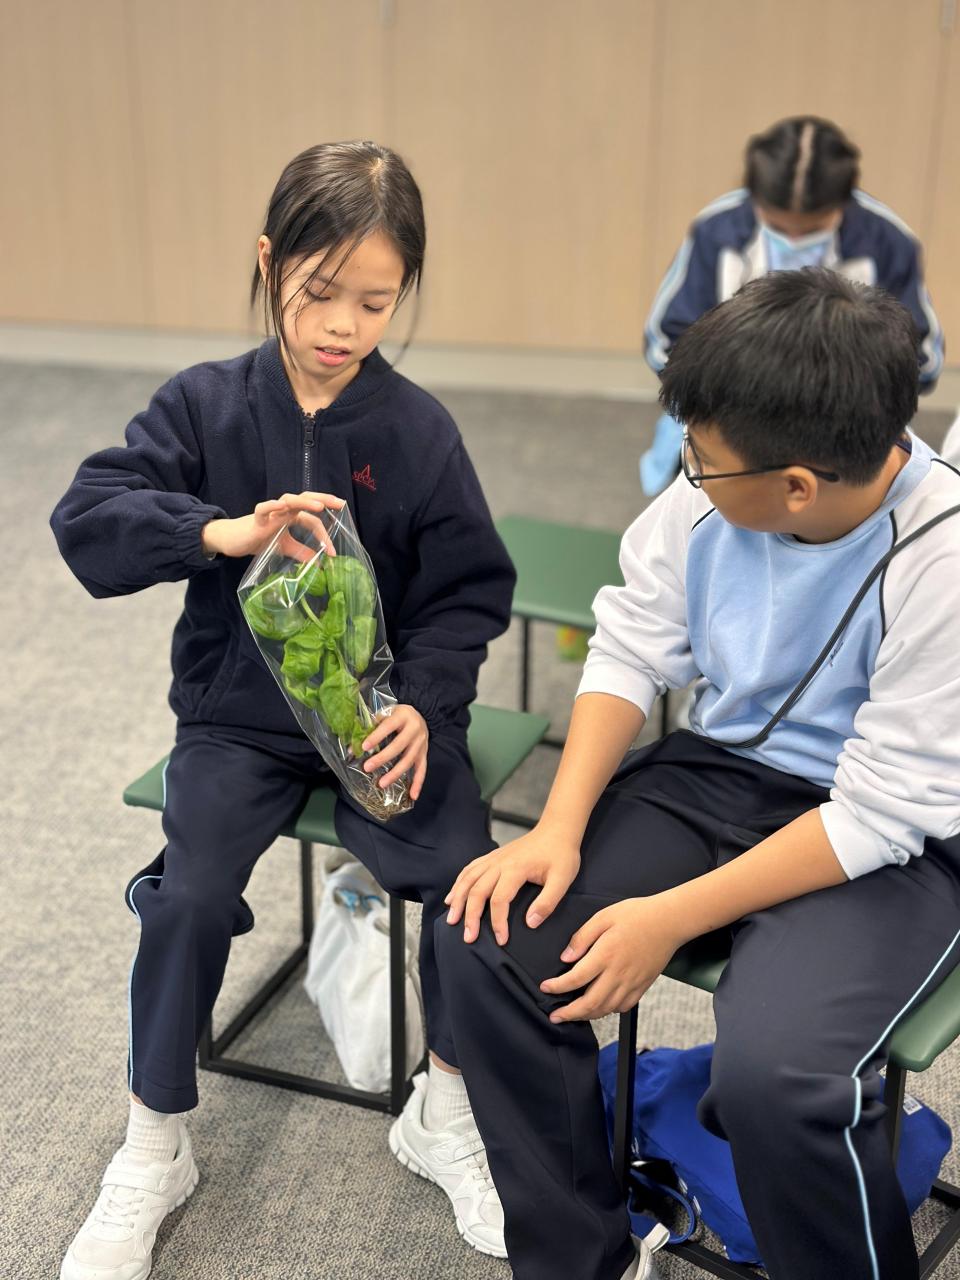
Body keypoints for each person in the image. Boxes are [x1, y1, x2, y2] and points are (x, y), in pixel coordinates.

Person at [51, 141, 516, 1280]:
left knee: (471, 893)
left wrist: (426, 705)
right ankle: (154, 1143)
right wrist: (217, 531)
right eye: (319, 291)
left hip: (379, 719)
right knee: (187, 897)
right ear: (268, 264)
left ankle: (445, 1109)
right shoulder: (205, 403)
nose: (344, 325)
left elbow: (470, 593)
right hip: (236, 721)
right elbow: (89, 516)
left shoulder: (419, 431)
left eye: (377, 301)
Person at [441, 268, 960, 1280]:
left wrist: (669, 916)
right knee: (484, 938)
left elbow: (878, 815)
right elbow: (631, 643)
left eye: (706, 461)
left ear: (797, 486)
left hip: (891, 845)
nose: (691, 473)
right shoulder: (712, 487)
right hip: (715, 775)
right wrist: (555, 830)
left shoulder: (941, 559)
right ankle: (583, 1256)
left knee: (778, 1076)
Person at [640, 115, 944, 496]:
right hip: (729, 411)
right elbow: (667, 339)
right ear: (754, 198)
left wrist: (842, 404)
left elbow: (920, 360)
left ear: (845, 202)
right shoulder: (716, 231)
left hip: (842, 426)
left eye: (812, 228)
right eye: (779, 226)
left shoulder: (887, 241)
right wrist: (727, 402)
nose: (795, 239)